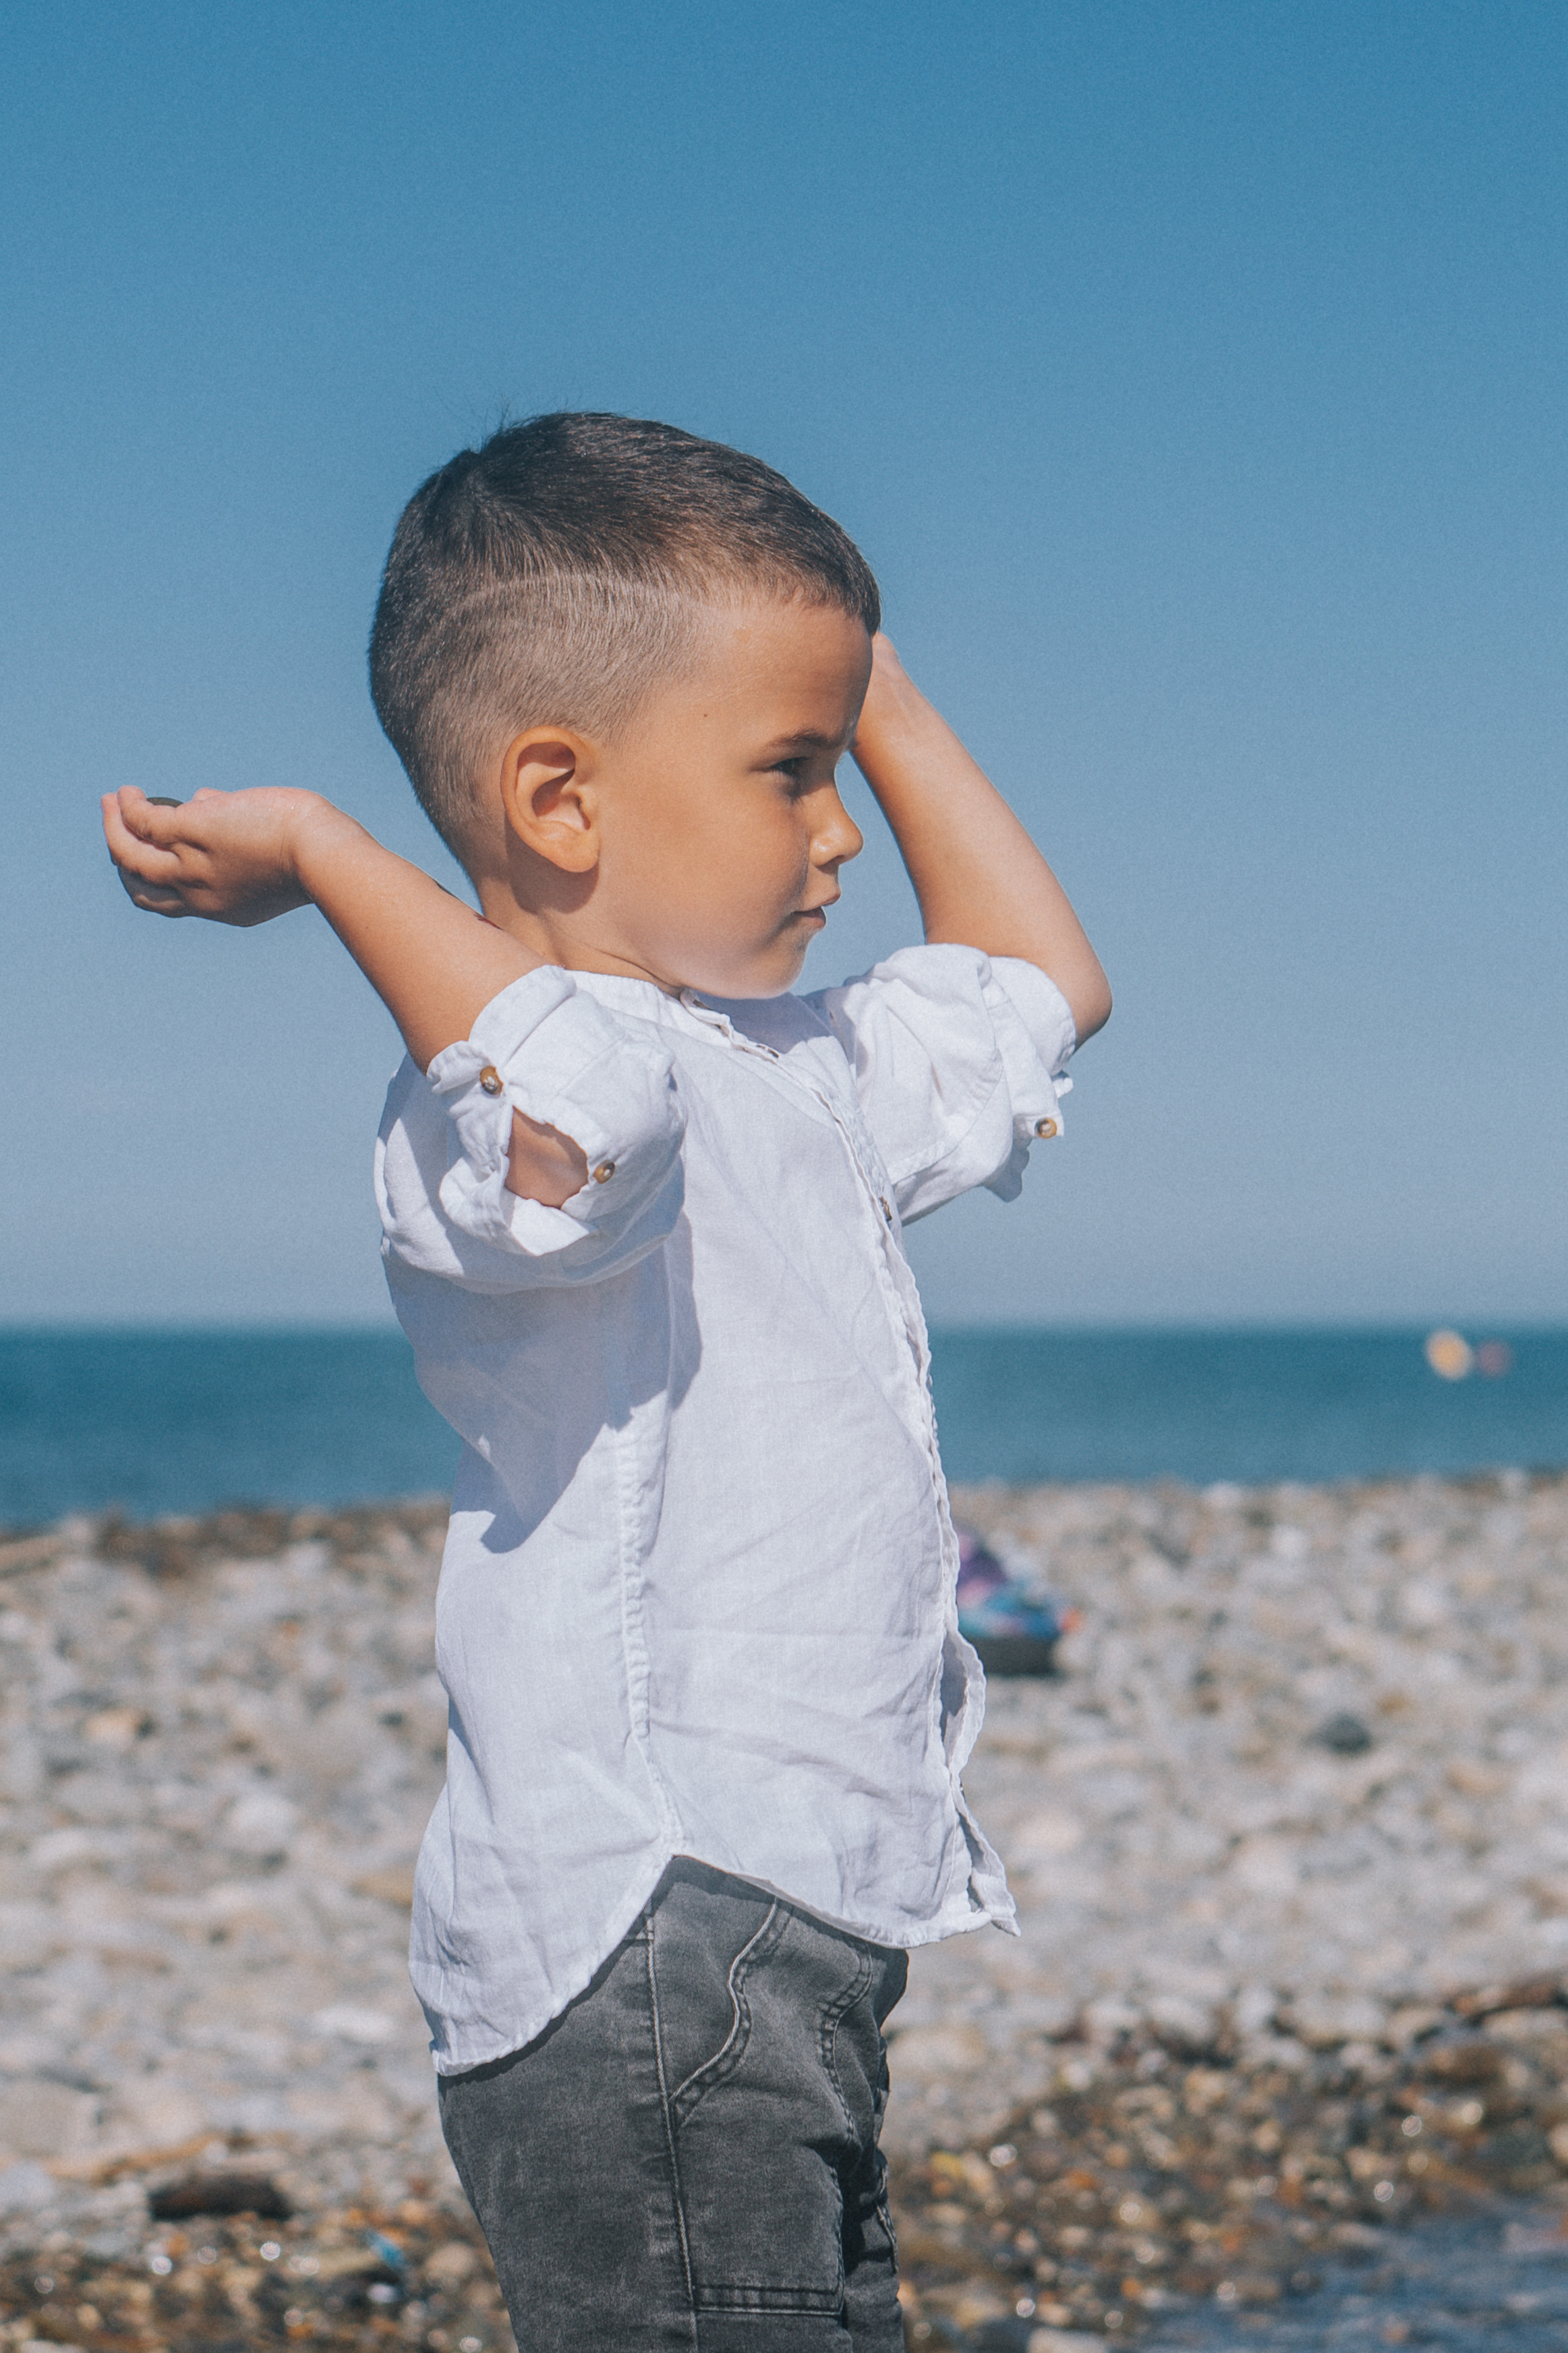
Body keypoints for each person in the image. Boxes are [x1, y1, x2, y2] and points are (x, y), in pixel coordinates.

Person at [102, 412, 1111, 2352]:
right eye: (795, 769)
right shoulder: (494, 1112)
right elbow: (592, 1096)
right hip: (653, 1912)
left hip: (796, 1915)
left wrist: (861, 666)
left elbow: (1038, 982)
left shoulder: (799, 1068)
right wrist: (334, 857)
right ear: (559, 802)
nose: (843, 831)